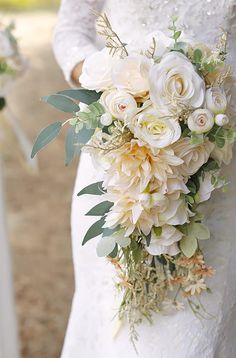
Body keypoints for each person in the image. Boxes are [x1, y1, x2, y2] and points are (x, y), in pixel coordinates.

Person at [53, 1, 236, 357]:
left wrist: (212, 98)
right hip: (118, 158)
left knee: (198, 328)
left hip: (216, 155)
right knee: (113, 319)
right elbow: (69, 33)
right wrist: (113, 90)